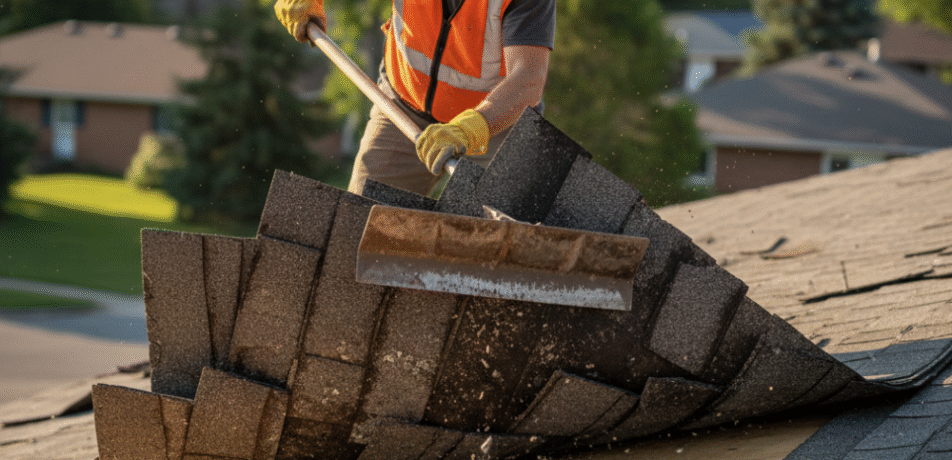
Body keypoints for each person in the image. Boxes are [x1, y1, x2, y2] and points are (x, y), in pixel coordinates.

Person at [275, 0, 556, 196]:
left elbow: (528, 78)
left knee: (506, 241)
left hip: (495, 124)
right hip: (403, 108)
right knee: (357, 225)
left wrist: (469, 130)